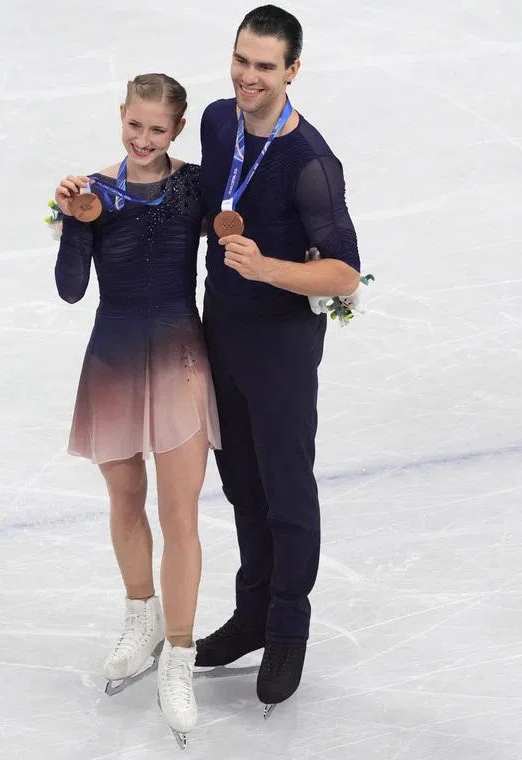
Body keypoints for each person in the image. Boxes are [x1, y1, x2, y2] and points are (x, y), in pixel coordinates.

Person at [194, 5, 362, 714]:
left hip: (282, 345)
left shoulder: (310, 164)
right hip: (220, 330)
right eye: (242, 59)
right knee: (239, 482)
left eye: (265, 66)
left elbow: (345, 275)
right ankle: (252, 614)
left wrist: (270, 270)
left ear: (293, 71)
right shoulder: (215, 120)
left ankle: (288, 627)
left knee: (286, 488)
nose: (248, 76)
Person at [52, 73, 218, 743]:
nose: (144, 139)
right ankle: (141, 615)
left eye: (158, 129)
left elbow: (236, 245)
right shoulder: (94, 192)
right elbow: (69, 290)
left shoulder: (195, 185)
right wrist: (76, 225)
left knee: (179, 513)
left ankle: (179, 654)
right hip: (116, 355)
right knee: (125, 500)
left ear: (176, 130)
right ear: (120, 116)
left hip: (180, 352)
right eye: (135, 125)